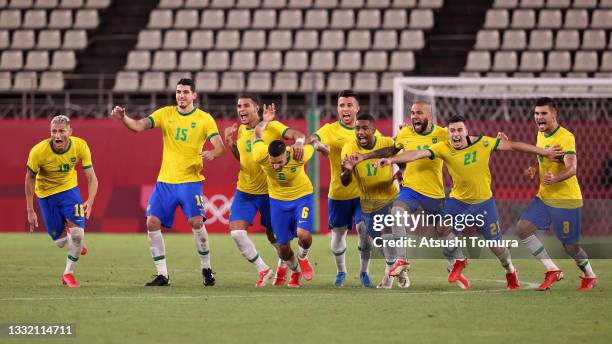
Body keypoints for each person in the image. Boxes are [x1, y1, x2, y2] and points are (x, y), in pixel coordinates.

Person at [375, 115, 563, 290]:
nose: (455, 134)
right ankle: (459, 261)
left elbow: (513, 146)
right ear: (448, 133)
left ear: (466, 131)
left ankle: (510, 270)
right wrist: (392, 160)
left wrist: (543, 151)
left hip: (484, 203)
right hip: (459, 201)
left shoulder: (483, 142)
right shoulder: (443, 147)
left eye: (459, 130)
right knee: (442, 228)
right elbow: (415, 154)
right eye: (452, 131)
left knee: (496, 247)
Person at [110, 78, 225, 287]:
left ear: (194, 95)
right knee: (151, 222)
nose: (181, 95)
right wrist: (123, 118)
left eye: (186, 92)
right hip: (165, 182)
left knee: (196, 223)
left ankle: (206, 268)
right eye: (178, 91)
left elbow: (220, 146)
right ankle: (162, 274)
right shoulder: (165, 114)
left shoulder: (204, 119)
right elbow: (138, 126)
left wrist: (212, 153)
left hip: (190, 181)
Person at [353, 101, 470, 289]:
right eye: (412, 112)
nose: (414, 116)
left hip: (434, 194)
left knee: (444, 234)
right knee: (397, 213)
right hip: (410, 190)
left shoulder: (442, 134)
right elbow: (392, 150)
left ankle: (455, 265)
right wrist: (367, 156)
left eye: (419, 112)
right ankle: (402, 260)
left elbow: (465, 142)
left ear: (430, 116)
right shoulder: (405, 133)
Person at [224, 94, 306, 287]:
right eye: (239, 106)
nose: (241, 109)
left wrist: (300, 143)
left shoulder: (272, 126)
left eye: (246, 106)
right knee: (237, 233)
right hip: (245, 191)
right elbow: (244, 158)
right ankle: (263, 269)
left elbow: (298, 134)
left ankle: (293, 268)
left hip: (271, 193)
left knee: (278, 240)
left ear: (256, 109)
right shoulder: (242, 130)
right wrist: (231, 145)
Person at [516, 97, 597, 291]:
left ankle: (590, 275)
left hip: (566, 200)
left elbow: (572, 168)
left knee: (570, 247)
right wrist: (535, 169)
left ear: (554, 114)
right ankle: (552, 270)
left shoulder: (566, 137)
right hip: (544, 197)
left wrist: (556, 178)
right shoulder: (540, 133)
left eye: (543, 113)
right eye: (536, 113)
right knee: (523, 228)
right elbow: (543, 157)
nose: (539, 117)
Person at [251, 108, 329, 288]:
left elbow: (310, 140)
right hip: (277, 201)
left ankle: (303, 257)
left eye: (279, 162)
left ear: (286, 154)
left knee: (303, 234)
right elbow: (257, 132)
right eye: (273, 162)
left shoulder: (298, 154)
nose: (276, 166)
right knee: (283, 248)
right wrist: (265, 121)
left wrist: (315, 146)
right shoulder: (261, 155)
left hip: (302, 196)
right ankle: (294, 271)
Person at [309, 90, 374, 288]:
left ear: (357, 108)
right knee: (338, 234)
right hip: (338, 192)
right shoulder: (330, 129)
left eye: (349, 105)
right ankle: (341, 271)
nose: (345, 109)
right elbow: (315, 138)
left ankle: (364, 272)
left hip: (363, 193)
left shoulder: (366, 129)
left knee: (365, 230)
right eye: (341, 105)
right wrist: (316, 143)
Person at [25, 115, 98, 288]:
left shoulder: (80, 146)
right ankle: (74, 242)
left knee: (78, 234)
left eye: (61, 131)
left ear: (70, 132)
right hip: (46, 194)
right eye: (54, 131)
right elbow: (29, 179)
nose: (57, 135)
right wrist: (30, 209)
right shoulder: (38, 151)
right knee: (60, 242)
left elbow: (92, 178)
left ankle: (68, 274)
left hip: (69, 191)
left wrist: (90, 200)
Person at [340, 114, 410, 289]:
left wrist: (402, 171)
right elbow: (345, 181)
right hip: (368, 203)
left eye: (365, 128)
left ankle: (389, 277)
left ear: (373, 130)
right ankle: (397, 268)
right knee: (380, 242)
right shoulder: (349, 148)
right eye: (357, 128)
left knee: (387, 236)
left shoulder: (387, 143)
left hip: (390, 199)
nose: (360, 132)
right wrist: (348, 170)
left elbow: (405, 158)